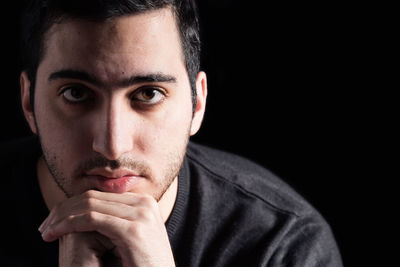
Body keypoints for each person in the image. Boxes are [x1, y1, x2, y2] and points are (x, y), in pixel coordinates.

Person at [0, 0, 343, 266]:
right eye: (76, 93)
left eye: (148, 94)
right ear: (29, 102)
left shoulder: (281, 246)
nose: (112, 147)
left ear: (197, 104)